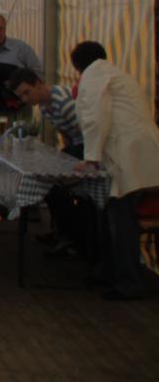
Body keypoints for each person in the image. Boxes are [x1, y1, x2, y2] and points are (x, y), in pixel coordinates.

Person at [70, 41, 159, 301]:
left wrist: (91, 157)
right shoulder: (116, 74)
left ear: (77, 66)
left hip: (126, 154)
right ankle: (108, 272)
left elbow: (96, 116)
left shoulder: (93, 76)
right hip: (140, 151)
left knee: (121, 220)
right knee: (110, 212)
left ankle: (128, 281)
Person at [9, 66, 88, 257]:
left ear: (38, 83)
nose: (25, 99)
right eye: (21, 96)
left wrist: (77, 161)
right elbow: (65, 133)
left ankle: (72, 236)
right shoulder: (44, 106)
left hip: (88, 148)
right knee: (49, 182)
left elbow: (89, 133)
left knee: (54, 185)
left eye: (27, 92)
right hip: (76, 146)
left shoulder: (64, 103)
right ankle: (63, 232)